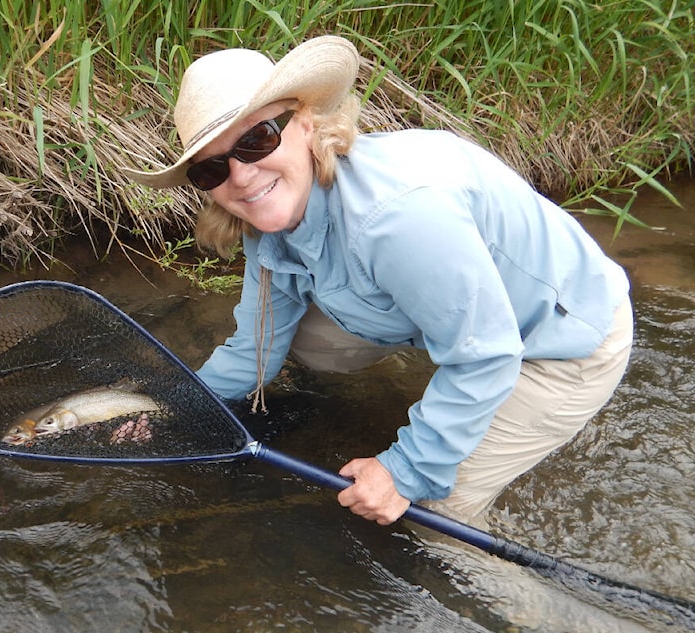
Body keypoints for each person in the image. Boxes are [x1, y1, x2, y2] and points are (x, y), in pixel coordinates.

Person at [121, 36, 632, 526]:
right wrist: (174, 407)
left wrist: (403, 473)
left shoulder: (397, 218)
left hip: (560, 342)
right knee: (311, 343)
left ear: (304, 123)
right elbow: (253, 345)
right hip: (483, 319)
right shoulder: (273, 224)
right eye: (211, 169)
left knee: (432, 514)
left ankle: (533, 613)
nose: (241, 175)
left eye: (256, 139)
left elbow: (488, 355)